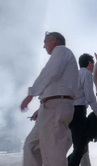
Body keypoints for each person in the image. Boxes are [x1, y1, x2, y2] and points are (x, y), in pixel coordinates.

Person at [20, 31, 79, 166]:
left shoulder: (61, 50)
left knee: (53, 153)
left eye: (45, 42)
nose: (44, 46)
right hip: (50, 108)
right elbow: (55, 82)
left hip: (54, 107)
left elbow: (50, 73)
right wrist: (40, 109)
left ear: (53, 40)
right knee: (31, 145)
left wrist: (31, 94)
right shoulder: (63, 55)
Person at [67, 53, 97, 166]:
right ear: (89, 63)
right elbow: (90, 95)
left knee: (81, 146)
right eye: (93, 63)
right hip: (79, 111)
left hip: (69, 111)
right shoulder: (86, 73)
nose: (94, 66)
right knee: (80, 148)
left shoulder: (74, 74)